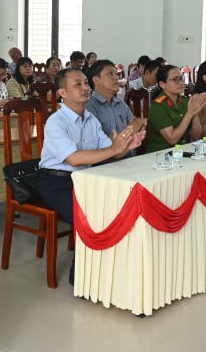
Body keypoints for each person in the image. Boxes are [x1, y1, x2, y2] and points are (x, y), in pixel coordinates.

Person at [38, 68, 144, 282]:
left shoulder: (91, 119)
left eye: (85, 83)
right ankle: (81, 276)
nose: (85, 88)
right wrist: (115, 149)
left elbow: (110, 150)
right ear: (62, 93)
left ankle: (110, 265)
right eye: (77, 84)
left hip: (85, 179)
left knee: (115, 204)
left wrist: (126, 146)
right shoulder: (56, 122)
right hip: (55, 180)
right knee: (87, 215)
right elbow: (74, 159)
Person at [146, 64, 206, 152]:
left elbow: (196, 134)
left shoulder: (185, 101)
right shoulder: (157, 106)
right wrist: (189, 113)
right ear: (162, 84)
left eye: (182, 78)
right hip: (161, 155)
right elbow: (172, 139)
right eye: (176, 80)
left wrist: (195, 111)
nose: (181, 83)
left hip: (182, 152)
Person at [85, 59, 143, 140]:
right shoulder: (88, 107)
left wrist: (140, 127)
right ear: (96, 80)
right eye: (110, 74)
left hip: (130, 151)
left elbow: (134, 127)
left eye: (116, 74)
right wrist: (128, 133)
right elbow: (96, 142)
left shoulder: (121, 104)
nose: (116, 78)